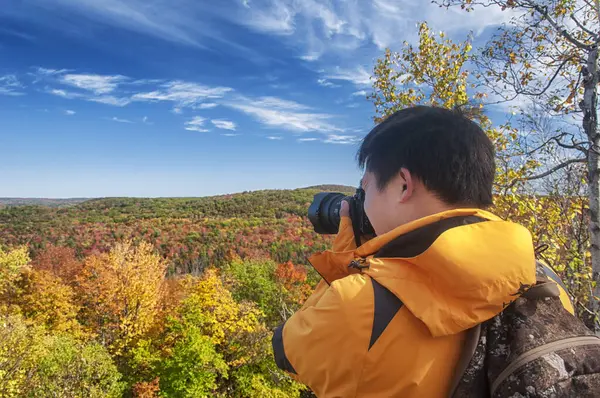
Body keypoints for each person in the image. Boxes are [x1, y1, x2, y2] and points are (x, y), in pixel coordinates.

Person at [271, 105, 574, 397]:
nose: (363, 200)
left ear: (403, 185)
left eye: (367, 187)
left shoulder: (359, 303)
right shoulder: (545, 280)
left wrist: (349, 258)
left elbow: (287, 351)